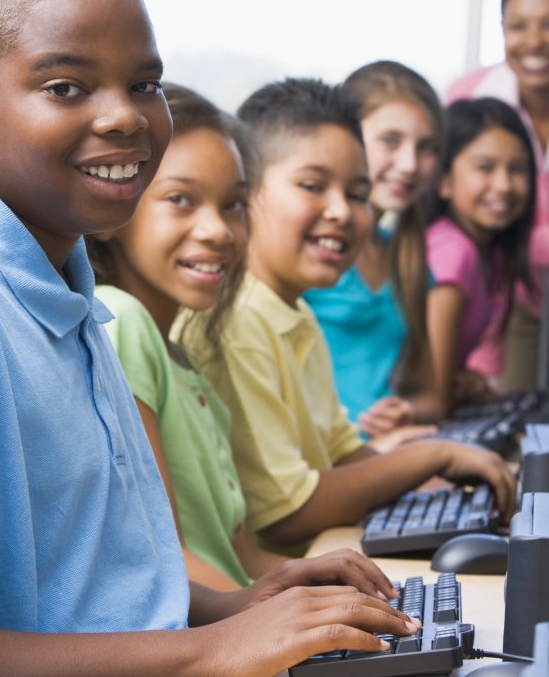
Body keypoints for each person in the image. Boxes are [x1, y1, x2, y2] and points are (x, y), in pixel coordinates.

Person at [0, 0, 418, 677]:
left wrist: (239, 607)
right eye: (65, 88)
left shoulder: (61, 286)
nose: (125, 117)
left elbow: (90, 594)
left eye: (145, 84)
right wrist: (203, 652)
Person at [182, 78, 517, 555]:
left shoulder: (298, 313)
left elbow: (344, 454)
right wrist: (432, 455)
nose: (341, 211)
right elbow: (287, 514)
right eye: (313, 186)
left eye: (358, 194)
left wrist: (440, 484)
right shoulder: (239, 320)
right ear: (246, 192)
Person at [89, 82, 296, 591]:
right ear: (114, 213)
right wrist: (274, 615)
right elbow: (164, 558)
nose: (218, 231)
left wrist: (329, 586)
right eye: (181, 199)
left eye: (233, 204)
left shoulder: (182, 361)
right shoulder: (120, 319)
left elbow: (242, 558)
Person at [446, 0, 549, 391]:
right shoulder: (468, 98)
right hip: (494, 297)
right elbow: (447, 212)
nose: (534, 42)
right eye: (518, 26)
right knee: (501, 403)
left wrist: (521, 242)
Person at [304, 60, 446, 449]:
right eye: (390, 141)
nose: (410, 164)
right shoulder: (310, 250)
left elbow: (432, 397)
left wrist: (406, 411)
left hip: (385, 453)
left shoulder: (407, 260)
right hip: (329, 460)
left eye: (426, 147)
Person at [419, 98, 536, 414]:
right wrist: (453, 390)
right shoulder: (454, 252)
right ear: (443, 181)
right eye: (485, 168)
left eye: (517, 169)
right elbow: (434, 397)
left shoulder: (490, 254)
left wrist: (467, 382)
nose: (504, 185)